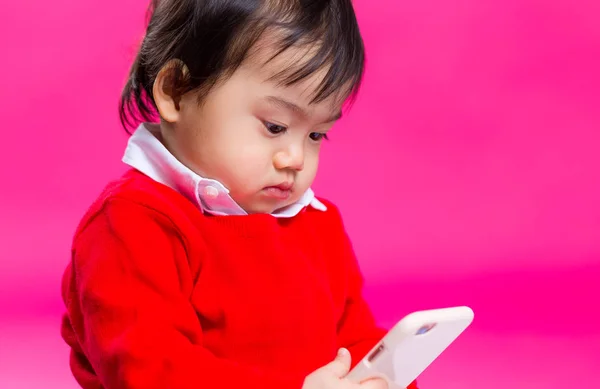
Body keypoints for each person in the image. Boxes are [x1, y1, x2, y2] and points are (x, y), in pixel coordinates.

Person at [60, 1, 418, 388]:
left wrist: (382, 378)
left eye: (316, 134)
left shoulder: (317, 224)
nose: (295, 159)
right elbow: (151, 370)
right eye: (275, 126)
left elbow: (351, 339)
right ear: (176, 92)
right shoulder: (132, 224)